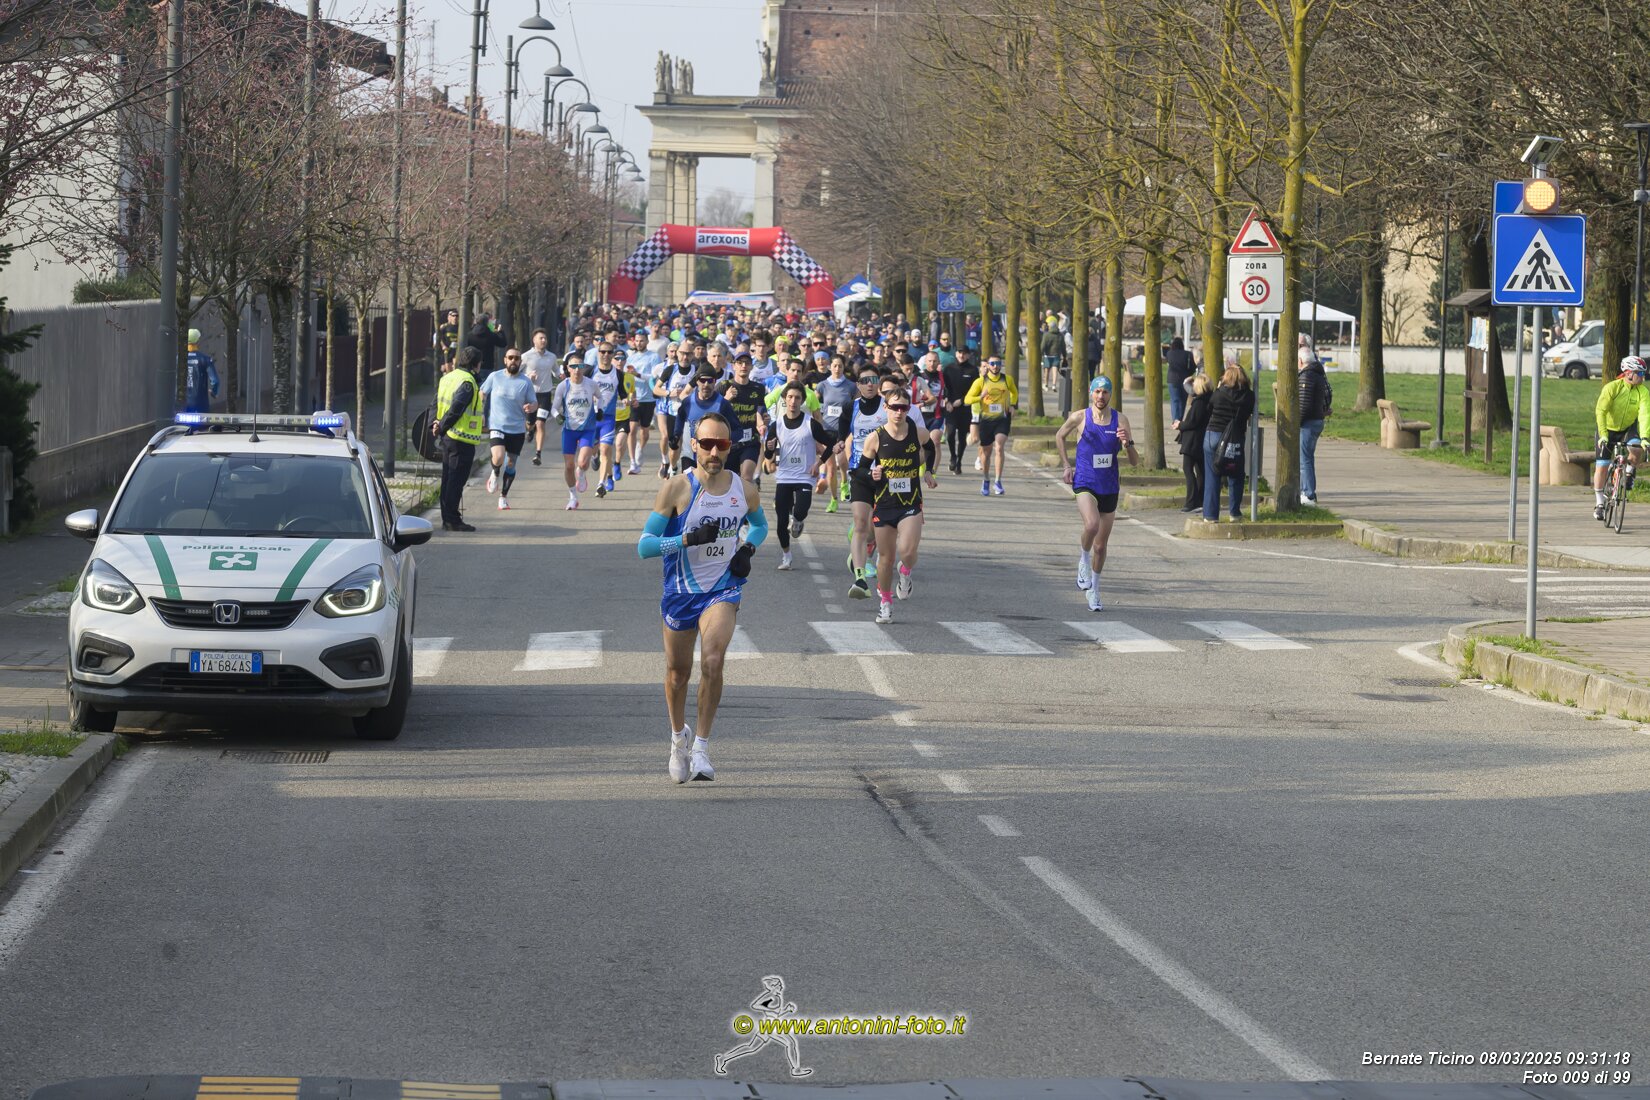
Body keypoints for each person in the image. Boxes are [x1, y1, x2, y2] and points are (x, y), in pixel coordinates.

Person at [637, 412, 770, 784]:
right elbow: (644, 546)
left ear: (729, 447)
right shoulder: (677, 488)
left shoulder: (743, 489)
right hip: (680, 593)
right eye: (707, 444)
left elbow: (760, 525)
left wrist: (748, 550)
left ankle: (701, 747)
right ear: (694, 445)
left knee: (713, 660)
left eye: (721, 444)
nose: (714, 452)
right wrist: (686, 539)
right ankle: (678, 738)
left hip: (722, 589)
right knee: (677, 674)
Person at [1056, 376, 1138, 612]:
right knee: (1091, 525)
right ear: (1091, 393)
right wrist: (1066, 465)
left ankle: (1095, 590)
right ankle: (1083, 559)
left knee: (1100, 547)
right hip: (1085, 482)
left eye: (1105, 392)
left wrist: (1128, 443)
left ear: (1110, 394)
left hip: (1109, 486)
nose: (1101, 396)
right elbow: (1059, 436)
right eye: (1097, 392)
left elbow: (1134, 462)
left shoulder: (1121, 420)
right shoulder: (1080, 417)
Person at [859, 387, 938, 624]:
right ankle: (885, 603)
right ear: (886, 408)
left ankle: (905, 571)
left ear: (908, 409)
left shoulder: (918, 433)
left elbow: (931, 448)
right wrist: (872, 474)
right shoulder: (875, 438)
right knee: (886, 558)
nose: (899, 412)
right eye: (894, 407)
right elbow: (860, 470)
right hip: (884, 504)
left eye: (903, 407)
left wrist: (929, 471)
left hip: (910, 503)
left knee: (908, 552)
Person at [765, 382, 838, 571]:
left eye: (797, 398)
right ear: (784, 399)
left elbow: (830, 444)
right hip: (784, 476)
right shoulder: (776, 424)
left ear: (802, 401)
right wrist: (769, 449)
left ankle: (797, 520)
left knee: (800, 511)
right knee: (781, 522)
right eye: (790, 397)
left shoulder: (810, 423)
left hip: (805, 476)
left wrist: (818, 464)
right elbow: (767, 453)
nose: (793, 401)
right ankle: (786, 556)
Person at [843, 369, 889, 598]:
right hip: (860, 472)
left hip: (886, 474)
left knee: (877, 528)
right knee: (861, 523)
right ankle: (860, 578)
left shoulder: (887, 407)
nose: (870, 384)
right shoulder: (850, 408)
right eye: (865, 381)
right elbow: (844, 437)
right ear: (858, 384)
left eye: (873, 380)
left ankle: (865, 545)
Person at [432, 347, 485, 531]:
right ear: (476, 364)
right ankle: (452, 520)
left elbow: (435, 403)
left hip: (448, 437)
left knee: (448, 478)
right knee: (455, 481)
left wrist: (435, 425)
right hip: (460, 438)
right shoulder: (467, 382)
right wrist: (441, 426)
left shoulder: (447, 377)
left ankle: (447, 518)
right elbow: (456, 409)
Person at [480, 348, 538, 511]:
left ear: (520, 362)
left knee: (511, 464)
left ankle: (503, 497)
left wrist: (531, 407)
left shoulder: (525, 382)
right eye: (510, 357)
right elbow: (482, 393)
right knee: (498, 457)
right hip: (497, 425)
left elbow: (534, 403)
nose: (513, 360)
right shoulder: (495, 376)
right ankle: (495, 472)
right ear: (505, 360)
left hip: (517, 429)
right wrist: (481, 412)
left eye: (517, 358)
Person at [1593, 356, 1650, 518]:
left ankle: (1629, 473)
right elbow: (1601, 411)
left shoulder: (1643, 391)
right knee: (1602, 465)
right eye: (1640, 373)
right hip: (1607, 429)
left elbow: (1644, 415)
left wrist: (1645, 437)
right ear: (1629, 373)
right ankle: (1599, 503)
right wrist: (1603, 435)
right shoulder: (1613, 387)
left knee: (1637, 449)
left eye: (1644, 373)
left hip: (1627, 428)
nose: (1643, 377)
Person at [1203, 363, 1255, 521]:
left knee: (1212, 476)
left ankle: (1211, 516)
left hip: (1214, 435)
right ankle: (1235, 513)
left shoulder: (1219, 394)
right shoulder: (1248, 396)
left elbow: (1208, 408)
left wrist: (1219, 387)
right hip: (1235, 438)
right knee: (1236, 474)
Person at [552, 354, 600, 510]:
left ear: (583, 367)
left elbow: (600, 397)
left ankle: (582, 472)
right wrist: (557, 416)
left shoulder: (591, 384)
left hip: (587, 428)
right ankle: (573, 496)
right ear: (568, 368)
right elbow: (554, 408)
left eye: (580, 366)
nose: (577, 370)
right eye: (573, 366)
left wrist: (599, 409)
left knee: (583, 462)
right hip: (569, 430)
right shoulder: (563, 386)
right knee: (569, 466)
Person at [964, 355, 1017, 495]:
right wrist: (980, 397)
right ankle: (986, 479)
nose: (995, 366)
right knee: (986, 453)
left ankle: (998, 481)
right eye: (992, 363)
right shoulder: (980, 381)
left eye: (998, 363)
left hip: (1002, 419)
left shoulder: (1007, 379)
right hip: (986, 420)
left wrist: (1012, 405)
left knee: (999, 446)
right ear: (987, 365)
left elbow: (1014, 392)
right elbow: (967, 399)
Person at [814, 355, 858, 512]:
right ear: (829, 367)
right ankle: (833, 500)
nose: (837, 369)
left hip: (844, 431)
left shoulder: (851, 386)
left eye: (840, 366)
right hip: (827, 430)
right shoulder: (822, 385)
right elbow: (813, 404)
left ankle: (845, 481)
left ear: (844, 367)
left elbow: (858, 406)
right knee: (831, 468)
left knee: (843, 461)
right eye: (834, 366)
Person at [675, 368, 742, 470]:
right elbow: (680, 418)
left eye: (710, 381)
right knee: (689, 480)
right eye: (702, 380)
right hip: (690, 455)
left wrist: (723, 442)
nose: (706, 384)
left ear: (715, 382)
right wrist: (676, 435)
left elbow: (738, 431)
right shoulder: (688, 402)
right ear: (697, 381)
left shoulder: (723, 404)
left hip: (713, 457)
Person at [1297, 343, 1332, 505]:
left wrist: (1297, 422)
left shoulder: (1307, 376)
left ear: (1300, 361)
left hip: (1308, 422)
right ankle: (1307, 491)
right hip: (1317, 419)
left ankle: (1308, 493)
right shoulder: (1319, 374)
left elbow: (1304, 404)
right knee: (1307, 458)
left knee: (1305, 459)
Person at [655, 343, 696, 478]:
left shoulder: (696, 370)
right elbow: (656, 389)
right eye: (682, 353)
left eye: (688, 354)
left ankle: (690, 473)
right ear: (677, 354)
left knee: (690, 445)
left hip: (691, 414)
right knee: (674, 445)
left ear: (692, 355)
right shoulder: (670, 370)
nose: (685, 357)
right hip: (673, 413)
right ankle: (673, 467)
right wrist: (669, 393)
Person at [1173, 374, 1213, 512]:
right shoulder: (1209, 400)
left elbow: (1192, 422)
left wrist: (1180, 425)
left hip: (1193, 441)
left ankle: (1191, 501)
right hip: (1202, 439)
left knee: (1188, 469)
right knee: (1201, 471)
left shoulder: (1199, 402)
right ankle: (1200, 500)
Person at [522, 329, 558, 466]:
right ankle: (530, 430)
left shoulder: (551, 357)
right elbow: (516, 373)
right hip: (530, 394)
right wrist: (528, 376)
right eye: (541, 338)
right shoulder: (526, 356)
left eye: (545, 338)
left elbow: (556, 370)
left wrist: (560, 374)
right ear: (534, 340)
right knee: (530, 423)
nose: (543, 340)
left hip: (545, 395)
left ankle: (538, 454)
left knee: (541, 423)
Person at [941, 345, 979, 474]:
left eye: (964, 353)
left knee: (962, 437)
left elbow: (975, 390)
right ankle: (953, 456)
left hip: (965, 407)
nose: (961, 355)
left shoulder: (973, 370)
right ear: (956, 353)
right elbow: (944, 387)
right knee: (950, 434)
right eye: (959, 352)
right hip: (951, 407)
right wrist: (947, 400)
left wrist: (962, 401)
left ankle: (959, 462)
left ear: (968, 355)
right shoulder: (949, 369)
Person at [183, 328, 219, 414]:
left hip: (183, 403)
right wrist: (214, 392)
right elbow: (215, 381)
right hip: (201, 404)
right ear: (198, 341)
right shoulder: (205, 359)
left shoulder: (179, 359)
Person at [467, 312, 509, 376]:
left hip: (473, 365)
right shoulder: (491, 335)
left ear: (476, 321)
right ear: (487, 322)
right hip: (487, 365)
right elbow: (503, 343)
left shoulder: (469, 335)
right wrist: (500, 332)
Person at [1166, 336, 1195, 423]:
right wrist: (1188, 374)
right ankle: (1180, 419)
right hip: (1184, 379)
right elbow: (1193, 366)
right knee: (1183, 400)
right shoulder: (1188, 354)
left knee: (1174, 400)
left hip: (1172, 379)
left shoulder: (1169, 353)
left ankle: (1175, 419)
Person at [1040, 316, 1064, 392]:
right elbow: (1063, 346)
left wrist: (1040, 354)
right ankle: (1054, 385)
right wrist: (1064, 355)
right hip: (1056, 355)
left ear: (1050, 327)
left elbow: (1043, 345)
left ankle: (1046, 384)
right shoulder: (1060, 335)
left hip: (1047, 355)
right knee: (1055, 370)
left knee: (1046, 371)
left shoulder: (1046, 335)